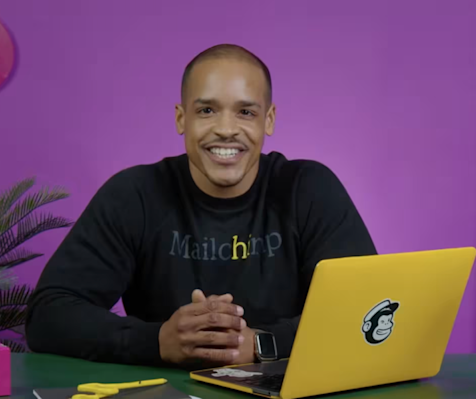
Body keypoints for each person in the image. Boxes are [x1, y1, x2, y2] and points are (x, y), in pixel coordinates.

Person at [25, 44, 377, 368]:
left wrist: (259, 344)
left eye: (245, 112)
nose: (226, 129)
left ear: (268, 120)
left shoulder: (308, 189)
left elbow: (366, 307)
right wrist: (158, 340)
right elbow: (48, 315)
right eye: (207, 110)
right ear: (182, 118)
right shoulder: (134, 195)